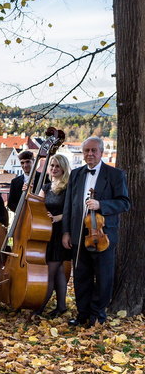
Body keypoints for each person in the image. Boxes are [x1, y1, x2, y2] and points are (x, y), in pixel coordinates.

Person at [62, 137, 130, 328]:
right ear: (82, 153)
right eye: (86, 151)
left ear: (101, 152)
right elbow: (69, 205)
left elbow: (124, 203)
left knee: (103, 277)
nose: (90, 154)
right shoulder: (76, 174)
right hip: (79, 233)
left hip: (103, 235)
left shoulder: (115, 174)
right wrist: (66, 232)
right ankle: (82, 314)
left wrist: (102, 204)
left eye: (93, 151)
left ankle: (97, 315)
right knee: (81, 276)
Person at [31, 154, 71, 317]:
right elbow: (37, 205)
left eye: (57, 166)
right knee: (59, 271)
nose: (54, 169)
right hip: (46, 233)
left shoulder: (68, 187)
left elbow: (70, 210)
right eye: (52, 166)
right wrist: (28, 192)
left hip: (60, 233)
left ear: (63, 168)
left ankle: (39, 308)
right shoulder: (46, 187)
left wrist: (57, 218)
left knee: (50, 273)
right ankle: (61, 306)